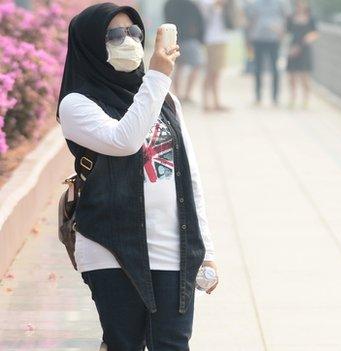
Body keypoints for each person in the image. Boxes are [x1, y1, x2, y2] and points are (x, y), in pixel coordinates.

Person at [56, 3, 218, 350]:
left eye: (134, 33)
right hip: (109, 245)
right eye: (114, 34)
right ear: (90, 44)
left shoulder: (164, 98)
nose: (127, 40)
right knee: (124, 342)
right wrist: (157, 76)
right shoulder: (77, 104)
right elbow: (124, 141)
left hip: (171, 245)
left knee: (173, 343)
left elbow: (188, 178)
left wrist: (206, 248)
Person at [245, 0, 289, 105]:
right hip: (258, 38)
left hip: (274, 39)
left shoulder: (280, 3)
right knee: (257, 69)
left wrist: (282, 33)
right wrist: (248, 38)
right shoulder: (255, 4)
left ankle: (275, 98)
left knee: (275, 69)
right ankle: (258, 97)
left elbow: (286, 18)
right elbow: (251, 20)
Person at [165, 0, 206, 103]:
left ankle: (177, 94)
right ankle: (187, 94)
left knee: (178, 66)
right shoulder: (191, 5)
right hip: (190, 39)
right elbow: (200, 21)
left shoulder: (169, 4)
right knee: (197, 65)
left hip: (174, 39)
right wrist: (201, 38)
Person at [200, 0, 231, 111]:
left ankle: (216, 102)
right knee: (210, 72)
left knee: (216, 73)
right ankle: (206, 102)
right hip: (212, 40)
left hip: (221, 39)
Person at [286, 0, 318, 109]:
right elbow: (287, 33)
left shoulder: (310, 18)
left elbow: (315, 33)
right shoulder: (291, 18)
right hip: (292, 48)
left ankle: (306, 99)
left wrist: (308, 39)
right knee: (292, 76)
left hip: (304, 49)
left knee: (305, 76)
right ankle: (292, 98)